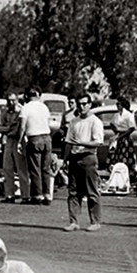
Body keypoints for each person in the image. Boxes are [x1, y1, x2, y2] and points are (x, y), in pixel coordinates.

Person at [63, 94, 104, 232]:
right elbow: (69, 142)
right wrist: (64, 159)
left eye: (84, 104)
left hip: (88, 157)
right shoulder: (74, 122)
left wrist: (81, 143)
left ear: (89, 105)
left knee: (92, 190)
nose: (82, 106)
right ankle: (73, 221)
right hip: (75, 158)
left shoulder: (95, 122)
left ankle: (95, 221)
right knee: (73, 191)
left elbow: (97, 142)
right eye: (79, 104)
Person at [19, 88, 53, 205]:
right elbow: (48, 123)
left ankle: (37, 195)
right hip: (46, 137)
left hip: (34, 137)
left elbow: (22, 126)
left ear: (26, 96)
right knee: (45, 168)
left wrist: (20, 141)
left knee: (35, 168)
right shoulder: (44, 107)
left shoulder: (26, 108)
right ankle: (47, 194)